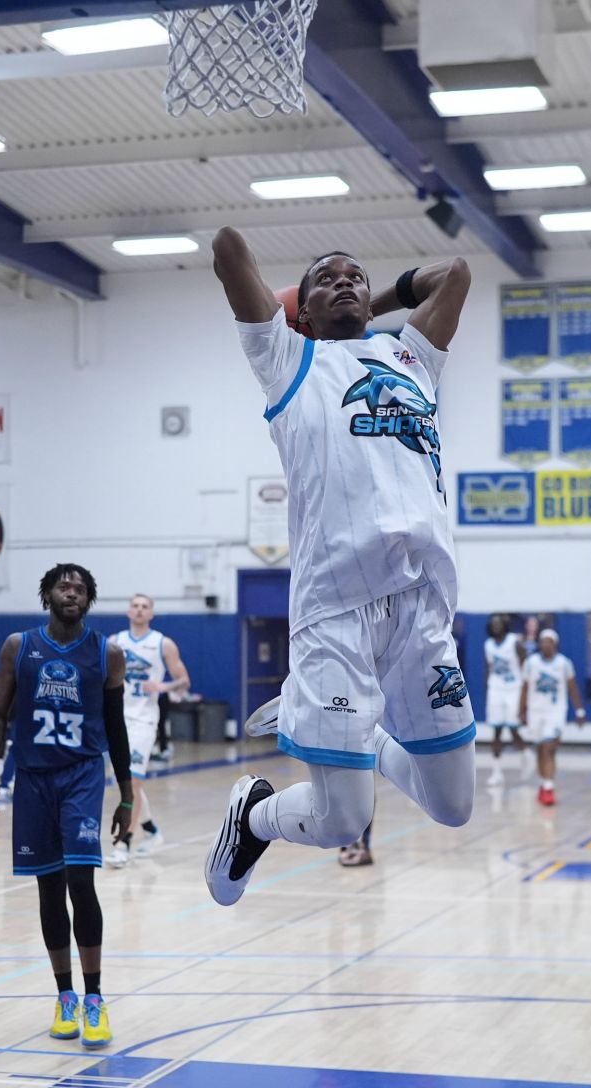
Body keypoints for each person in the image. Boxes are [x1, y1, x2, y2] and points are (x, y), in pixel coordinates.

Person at [202, 236, 476, 907]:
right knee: (343, 821)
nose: (348, 281)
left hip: (421, 607)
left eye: (358, 274)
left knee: (454, 804)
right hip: (336, 608)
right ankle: (254, 817)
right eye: (328, 278)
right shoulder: (288, 358)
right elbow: (228, 248)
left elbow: (457, 272)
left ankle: (373, 733)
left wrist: (364, 295)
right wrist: (295, 313)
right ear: (302, 308)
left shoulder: (409, 357)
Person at [0, 561, 133, 1049]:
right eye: (64, 586)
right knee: (49, 888)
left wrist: (128, 796)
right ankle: (64, 995)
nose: (72, 592)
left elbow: (117, 727)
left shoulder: (106, 653)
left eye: (81, 588)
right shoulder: (18, 647)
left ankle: (94, 997)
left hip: (83, 775)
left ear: (89, 599)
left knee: (81, 882)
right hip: (35, 778)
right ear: (47, 594)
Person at [109, 593, 189, 863]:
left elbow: (184, 681)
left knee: (131, 782)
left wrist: (163, 686)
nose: (140, 610)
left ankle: (123, 843)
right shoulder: (114, 642)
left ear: (152, 613)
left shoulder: (163, 644)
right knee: (127, 783)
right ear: (128, 611)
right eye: (135, 606)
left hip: (144, 720)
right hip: (118, 720)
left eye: (145, 607)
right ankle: (151, 830)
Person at [516, 628, 584, 806]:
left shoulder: (564, 663)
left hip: (555, 711)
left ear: (555, 644)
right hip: (535, 711)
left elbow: (573, 688)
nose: (545, 644)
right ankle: (543, 783)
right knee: (540, 749)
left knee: (549, 747)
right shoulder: (531, 663)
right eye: (542, 641)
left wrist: (579, 711)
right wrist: (521, 710)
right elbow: (525, 688)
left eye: (549, 641)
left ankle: (548, 788)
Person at [481, 614, 525, 782]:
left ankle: (525, 752)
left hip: (514, 689)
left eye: (498, 624)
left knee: (513, 728)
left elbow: (525, 664)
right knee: (497, 730)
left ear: (505, 625)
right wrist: (488, 686)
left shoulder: (514, 642)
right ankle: (497, 772)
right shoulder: (488, 645)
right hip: (496, 690)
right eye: (493, 624)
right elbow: (488, 667)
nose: (496, 626)